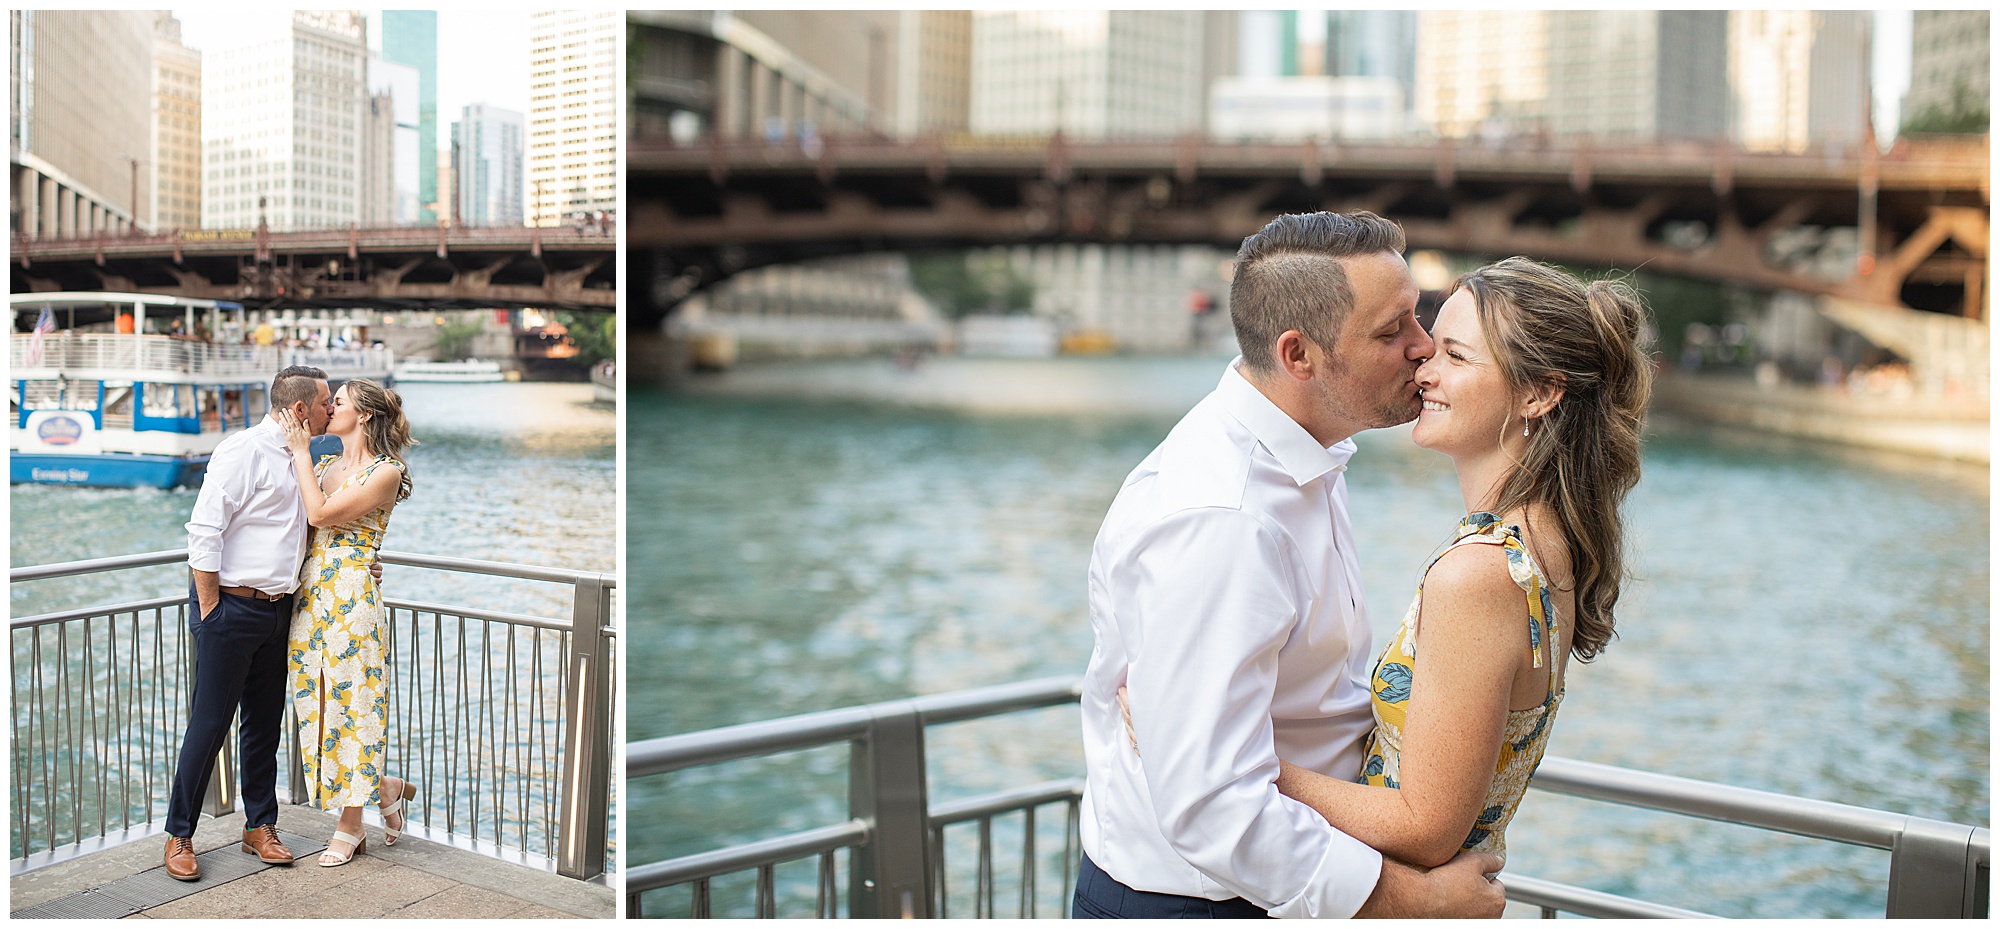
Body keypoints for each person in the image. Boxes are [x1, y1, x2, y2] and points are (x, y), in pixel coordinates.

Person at [1073, 212, 1505, 919]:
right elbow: (1213, 804)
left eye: (1416, 318)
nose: (1423, 348)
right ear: (1298, 355)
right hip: (1204, 904)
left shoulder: (1306, 454)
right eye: (1391, 330)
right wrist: (1415, 899)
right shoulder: (1224, 520)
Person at [1267, 257, 1652, 872]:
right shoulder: (1544, 548)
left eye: (1456, 356)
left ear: (1539, 394)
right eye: (1430, 348)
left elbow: (1425, 828)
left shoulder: (1479, 575)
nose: (1424, 369)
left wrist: (1247, 765)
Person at [165, 365, 333, 881]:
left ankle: (260, 826)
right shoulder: (242, 451)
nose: (332, 409)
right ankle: (180, 835)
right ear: (300, 410)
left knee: (264, 723)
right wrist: (212, 609)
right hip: (231, 609)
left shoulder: (308, 460)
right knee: (210, 724)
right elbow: (204, 530)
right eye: (326, 403)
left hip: (278, 609)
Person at [276, 378, 419, 867]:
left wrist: (297, 449)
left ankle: (351, 825)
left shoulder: (386, 472)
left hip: (353, 598)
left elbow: (318, 514)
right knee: (318, 706)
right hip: (309, 596)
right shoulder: (323, 465)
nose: (328, 406)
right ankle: (385, 787)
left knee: (353, 706)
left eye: (337, 401)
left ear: (363, 415)